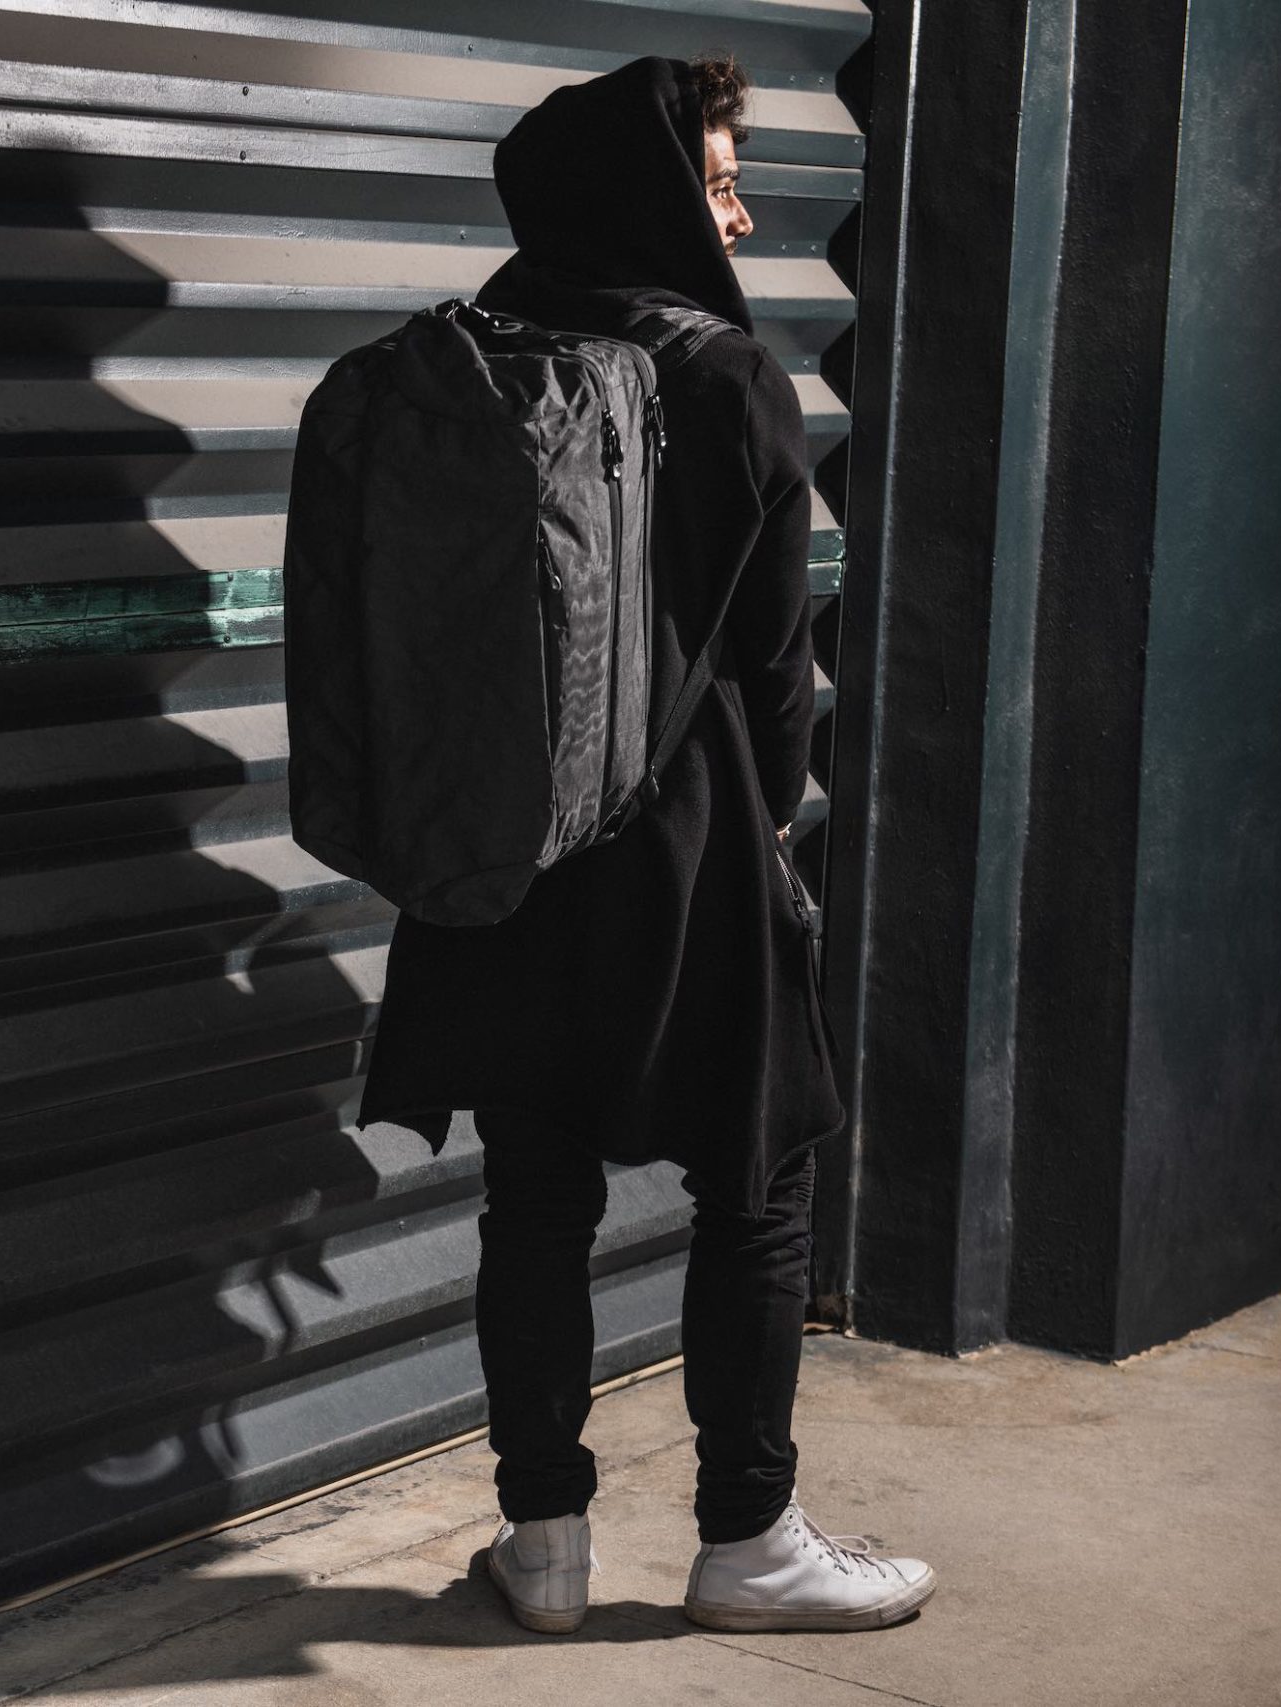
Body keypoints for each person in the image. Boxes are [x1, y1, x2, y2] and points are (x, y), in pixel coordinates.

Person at [351, 56, 938, 1634]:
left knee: (534, 1186)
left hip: (498, 842)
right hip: (688, 837)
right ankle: (750, 1544)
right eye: (722, 178)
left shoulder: (462, 361)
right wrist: (779, 817)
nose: (739, 209)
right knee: (758, 1178)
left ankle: (542, 1543)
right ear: (654, 195)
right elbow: (772, 659)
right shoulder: (721, 371)